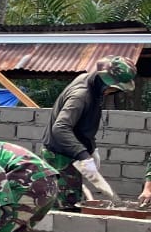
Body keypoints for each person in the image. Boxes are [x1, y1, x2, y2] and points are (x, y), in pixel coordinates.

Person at [38, 55, 135, 210]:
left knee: (74, 199)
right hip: (59, 157)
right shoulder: (81, 95)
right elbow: (60, 128)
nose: (112, 92)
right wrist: (83, 154)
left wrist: (91, 148)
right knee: (64, 207)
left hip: (70, 153)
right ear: (104, 81)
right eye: (113, 88)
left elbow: (83, 125)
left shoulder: (93, 85)